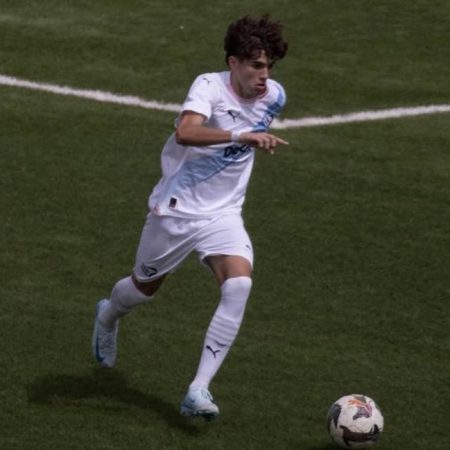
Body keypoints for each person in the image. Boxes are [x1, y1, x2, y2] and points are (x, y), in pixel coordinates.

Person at [92, 15, 288, 421]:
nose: (264, 76)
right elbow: (186, 131)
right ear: (233, 62)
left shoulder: (274, 97)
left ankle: (198, 389)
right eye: (255, 65)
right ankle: (108, 315)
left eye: (268, 66)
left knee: (239, 285)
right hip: (177, 211)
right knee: (143, 289)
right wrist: (241, 136)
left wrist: (249, 138)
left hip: (224, 214)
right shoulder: (208, 87)